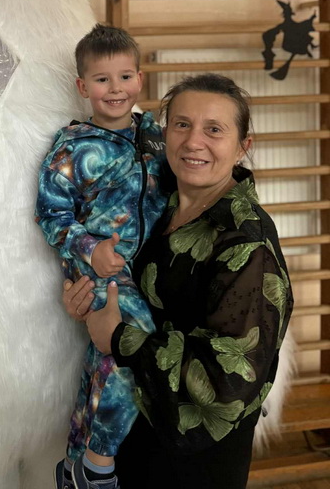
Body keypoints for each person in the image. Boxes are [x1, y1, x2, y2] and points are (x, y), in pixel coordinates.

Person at [65, 73, 293, 489]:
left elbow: (225, 386)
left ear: (243, 146)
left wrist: (118, 338)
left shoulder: (247, 243)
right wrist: (87, 297)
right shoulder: (154, 203)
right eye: (182, 124)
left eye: (214, 130)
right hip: (130, 437)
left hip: (191, 464)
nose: (193, 141)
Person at [35, 24, 169, 489]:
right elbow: (50, 214)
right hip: (100, 272)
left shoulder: (153, 133)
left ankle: (73, 463)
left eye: (125, 76)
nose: (115, 89)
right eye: (102, 79)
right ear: (82, 86)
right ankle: (97, 465)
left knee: (102, 366)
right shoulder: (72, 148)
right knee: (131, 345)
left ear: (140, 79)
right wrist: (90, 251)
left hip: (144, 269)